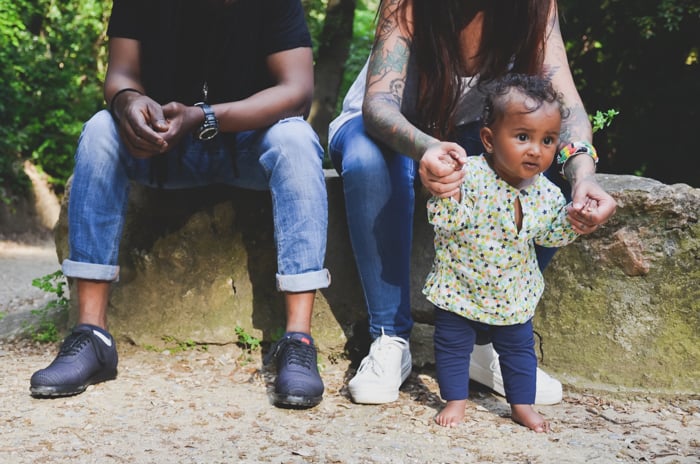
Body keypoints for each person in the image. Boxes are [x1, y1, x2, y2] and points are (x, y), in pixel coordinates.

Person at [29, 0, 330, 409]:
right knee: (100, 129)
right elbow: (120, 75)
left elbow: (296, 93)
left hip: (247, 143)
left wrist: (205, 116)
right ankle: (91, 335)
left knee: (296, 139)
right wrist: (129, 103)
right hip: (161, 145)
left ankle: (298, 341)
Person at [328, 0, 616, 406]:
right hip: (381, 132)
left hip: (467, 136)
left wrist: (584, 178)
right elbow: (378, 107)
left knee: (541, 160)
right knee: (366, 161)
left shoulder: (534, 7)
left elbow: (565, 109)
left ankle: (485, 341)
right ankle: (390, 338)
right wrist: (427, 149)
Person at [426, 73, 596, 430]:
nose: (536, 149)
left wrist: (575, 221)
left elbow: (549, 236)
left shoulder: (548, 194)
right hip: (460, 288)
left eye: (548, 140)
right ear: (489, 139)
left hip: (513, 294)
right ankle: (456, 399)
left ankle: (522, 405)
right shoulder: (469, 175)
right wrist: (448, 197)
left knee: (519, 354)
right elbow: (444, 221)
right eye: (523, 137)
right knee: (452, 347)